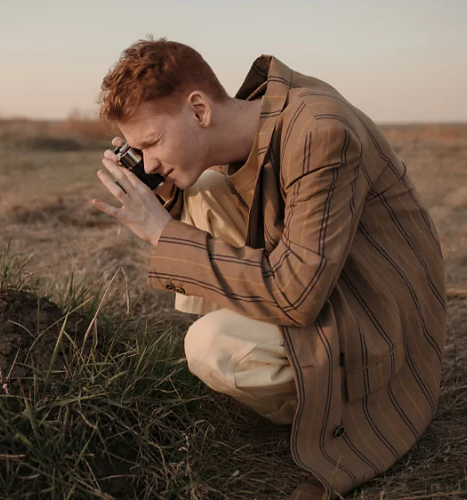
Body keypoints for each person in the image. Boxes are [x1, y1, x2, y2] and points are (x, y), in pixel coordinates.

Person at [90, 37, 445, 499]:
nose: (150, 160)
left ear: (199, 110)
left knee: (210, 345)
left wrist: (163, 234)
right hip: (332, 280)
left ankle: (298, 388)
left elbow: (296, 295)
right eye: (139, 149)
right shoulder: (263, 116)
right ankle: (258, 347)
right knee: (203, 189)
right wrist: (164, 192)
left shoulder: (320, 131)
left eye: (152, 142)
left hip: (378, 320)